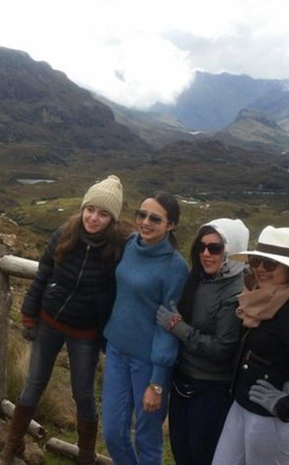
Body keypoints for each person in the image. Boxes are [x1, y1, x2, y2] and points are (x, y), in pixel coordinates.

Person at [1, 175, 125, 465]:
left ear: (113, 218)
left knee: (83, 393)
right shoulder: (64, 234)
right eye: (90, 209)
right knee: (33, 384)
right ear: (82, 207)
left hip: (86, 332)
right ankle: (10, 446)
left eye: (103, 213)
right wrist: (28, 314)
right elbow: (43, 274)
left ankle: (85, 459)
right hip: (50, 322)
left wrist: (108, 333)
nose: (93, 218)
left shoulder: (118, 249)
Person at [211, 226, 289, 465]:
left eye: (270, 265)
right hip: (245, 406)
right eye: (256, 261)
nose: (259, 269)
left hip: (272, 420)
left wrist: (285, 406)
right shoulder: (263, 298)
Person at [102, 191, 189, 465]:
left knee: (147, 439)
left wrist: (157, 382)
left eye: (155, 218)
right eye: (142, 215)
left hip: (149, 364)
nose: (146, 222)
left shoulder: (175, 267)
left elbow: (169, 325)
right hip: (116, 352)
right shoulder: (130, 245)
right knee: (113, 433)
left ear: (171, 225)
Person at [155, 219, 250, 465]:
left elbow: (223, 348)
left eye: (215, 248)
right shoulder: (198, 278)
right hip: (183, 381)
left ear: (232, 252)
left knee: (201, 454)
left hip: (210, 390)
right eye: (201, 246)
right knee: (181, 450)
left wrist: (179, 328)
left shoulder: (234, 291)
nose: (206, 253)